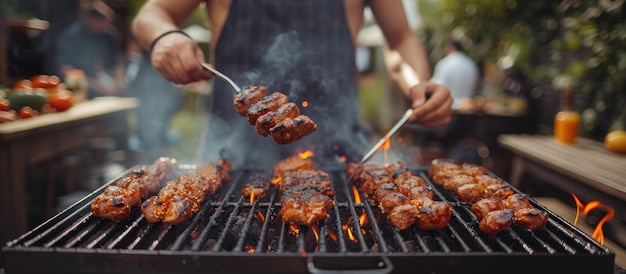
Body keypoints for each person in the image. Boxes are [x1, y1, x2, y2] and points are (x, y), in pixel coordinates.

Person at [131, 0, 453, 169]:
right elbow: (152, 13)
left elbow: (400, 38)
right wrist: (165, 36)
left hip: (337, 154)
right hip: (231, 154)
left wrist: (418, 84)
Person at [53, 1, 125, 99]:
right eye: (103, 23)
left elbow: (117, 62)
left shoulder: (109, 34)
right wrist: (98, 87)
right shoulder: (71, 36)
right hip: (77, 87)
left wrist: (118, 85)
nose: (106, 26)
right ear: (90, 19)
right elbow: (65, 69)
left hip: (105, 83)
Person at [431, 39, 480, 110]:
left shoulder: (444, 64)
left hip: (449, 109)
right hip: (468, 110)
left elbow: (437, 87)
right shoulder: (471, 64)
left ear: (450, 47)